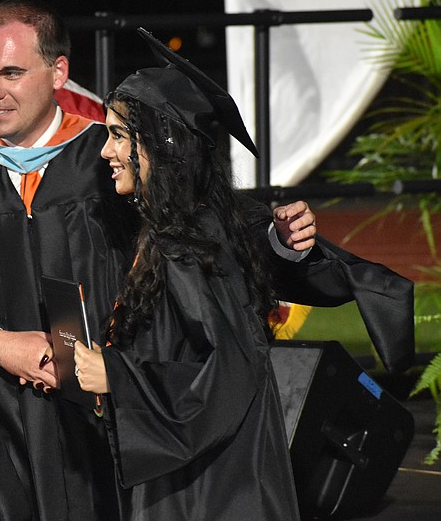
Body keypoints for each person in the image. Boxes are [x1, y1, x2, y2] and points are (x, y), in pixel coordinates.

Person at [0, 0, 324, 521]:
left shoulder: (115, 161)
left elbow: (205, 240)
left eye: (11, 73)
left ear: (58, 72)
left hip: (100, 432)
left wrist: (277, 240)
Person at [73, 32, 300, 519]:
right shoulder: (175, 227)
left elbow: (233, 367)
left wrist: (117, 376)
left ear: (162, 142)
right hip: (201, 474)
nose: (105, 151)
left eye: (118, 135)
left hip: (210, 489)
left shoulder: (188, 242)